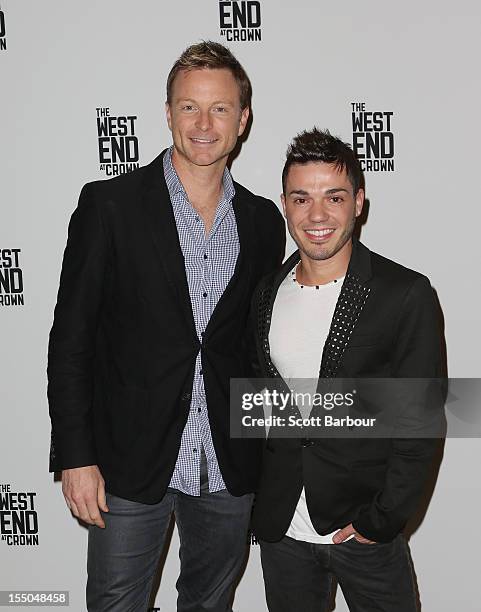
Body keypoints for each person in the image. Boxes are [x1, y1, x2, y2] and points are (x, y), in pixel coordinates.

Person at [47, 41, 285, 612]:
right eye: (189, 107)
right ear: (168, 113)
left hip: (227, 464)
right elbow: (71, 341)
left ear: (243, 118)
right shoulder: (109, 205)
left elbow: (256, 349)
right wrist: (76, 457)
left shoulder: (263, 222)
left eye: (220, 108)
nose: (204, 124)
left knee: (210, 602)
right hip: (127, 461)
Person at [249, 128, 443, 611]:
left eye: (333, 197)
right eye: (302, 199)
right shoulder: (266, 292)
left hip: (362, 532)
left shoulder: (405, 294)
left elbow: (420, 422)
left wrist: (382, 520)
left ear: (358, 201)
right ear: (285, 204)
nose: (317, 216)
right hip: (283, 535)